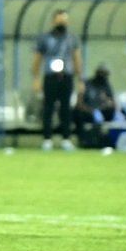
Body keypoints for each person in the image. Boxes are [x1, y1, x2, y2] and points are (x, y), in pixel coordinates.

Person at [32, 9, 83, 151]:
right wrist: (36, 78)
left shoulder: (72, 39)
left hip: (67, 76)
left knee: (66, 108)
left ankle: (66, 138)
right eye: (59, 20)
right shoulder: (44, 38)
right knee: (48, 107)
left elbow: (77, 58)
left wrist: (80, 79)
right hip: (50, 77)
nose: (62, 23)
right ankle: (47, 139)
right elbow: (37, 59)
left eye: (64, 20)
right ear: (53, 21)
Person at [72, 64, 121, 147]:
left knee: (114, 114)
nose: (103, 76)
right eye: (101, 73)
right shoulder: (87, 84)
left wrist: (108, 104)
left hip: (102, 112)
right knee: (77, 114)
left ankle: (109, 141)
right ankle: (84, 141)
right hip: (87, 112)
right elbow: (79, 103)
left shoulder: (106, 85)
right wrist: (92, 111)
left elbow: (113, 102)